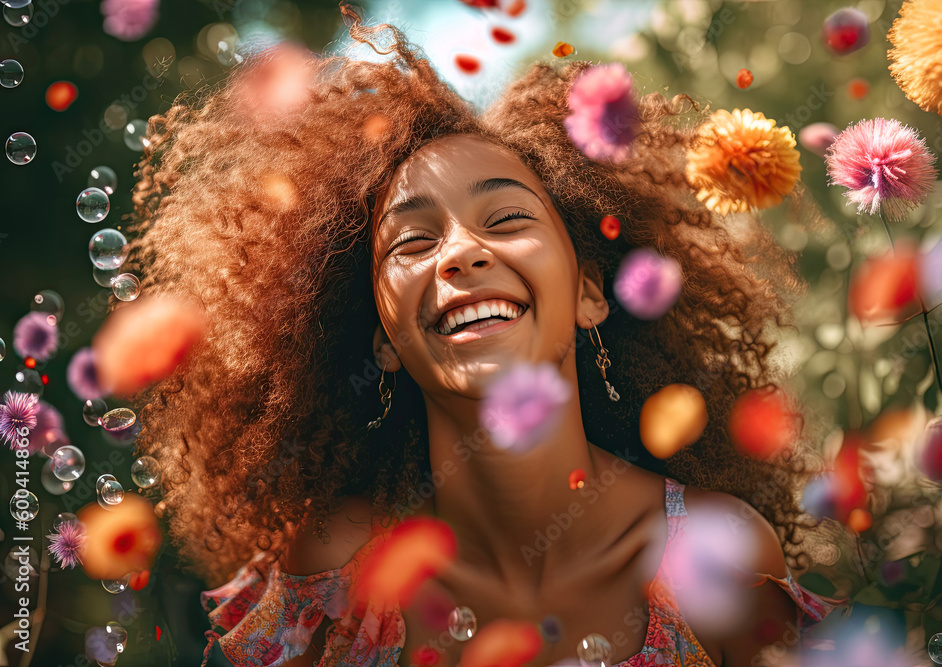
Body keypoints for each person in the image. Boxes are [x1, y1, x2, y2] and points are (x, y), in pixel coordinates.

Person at [112, 6, 846, 666]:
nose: (461, 252)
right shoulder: (332, 576)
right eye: (411, 241)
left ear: (591, 292)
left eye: (507, 220)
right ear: (382, 341)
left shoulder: (718, 554)